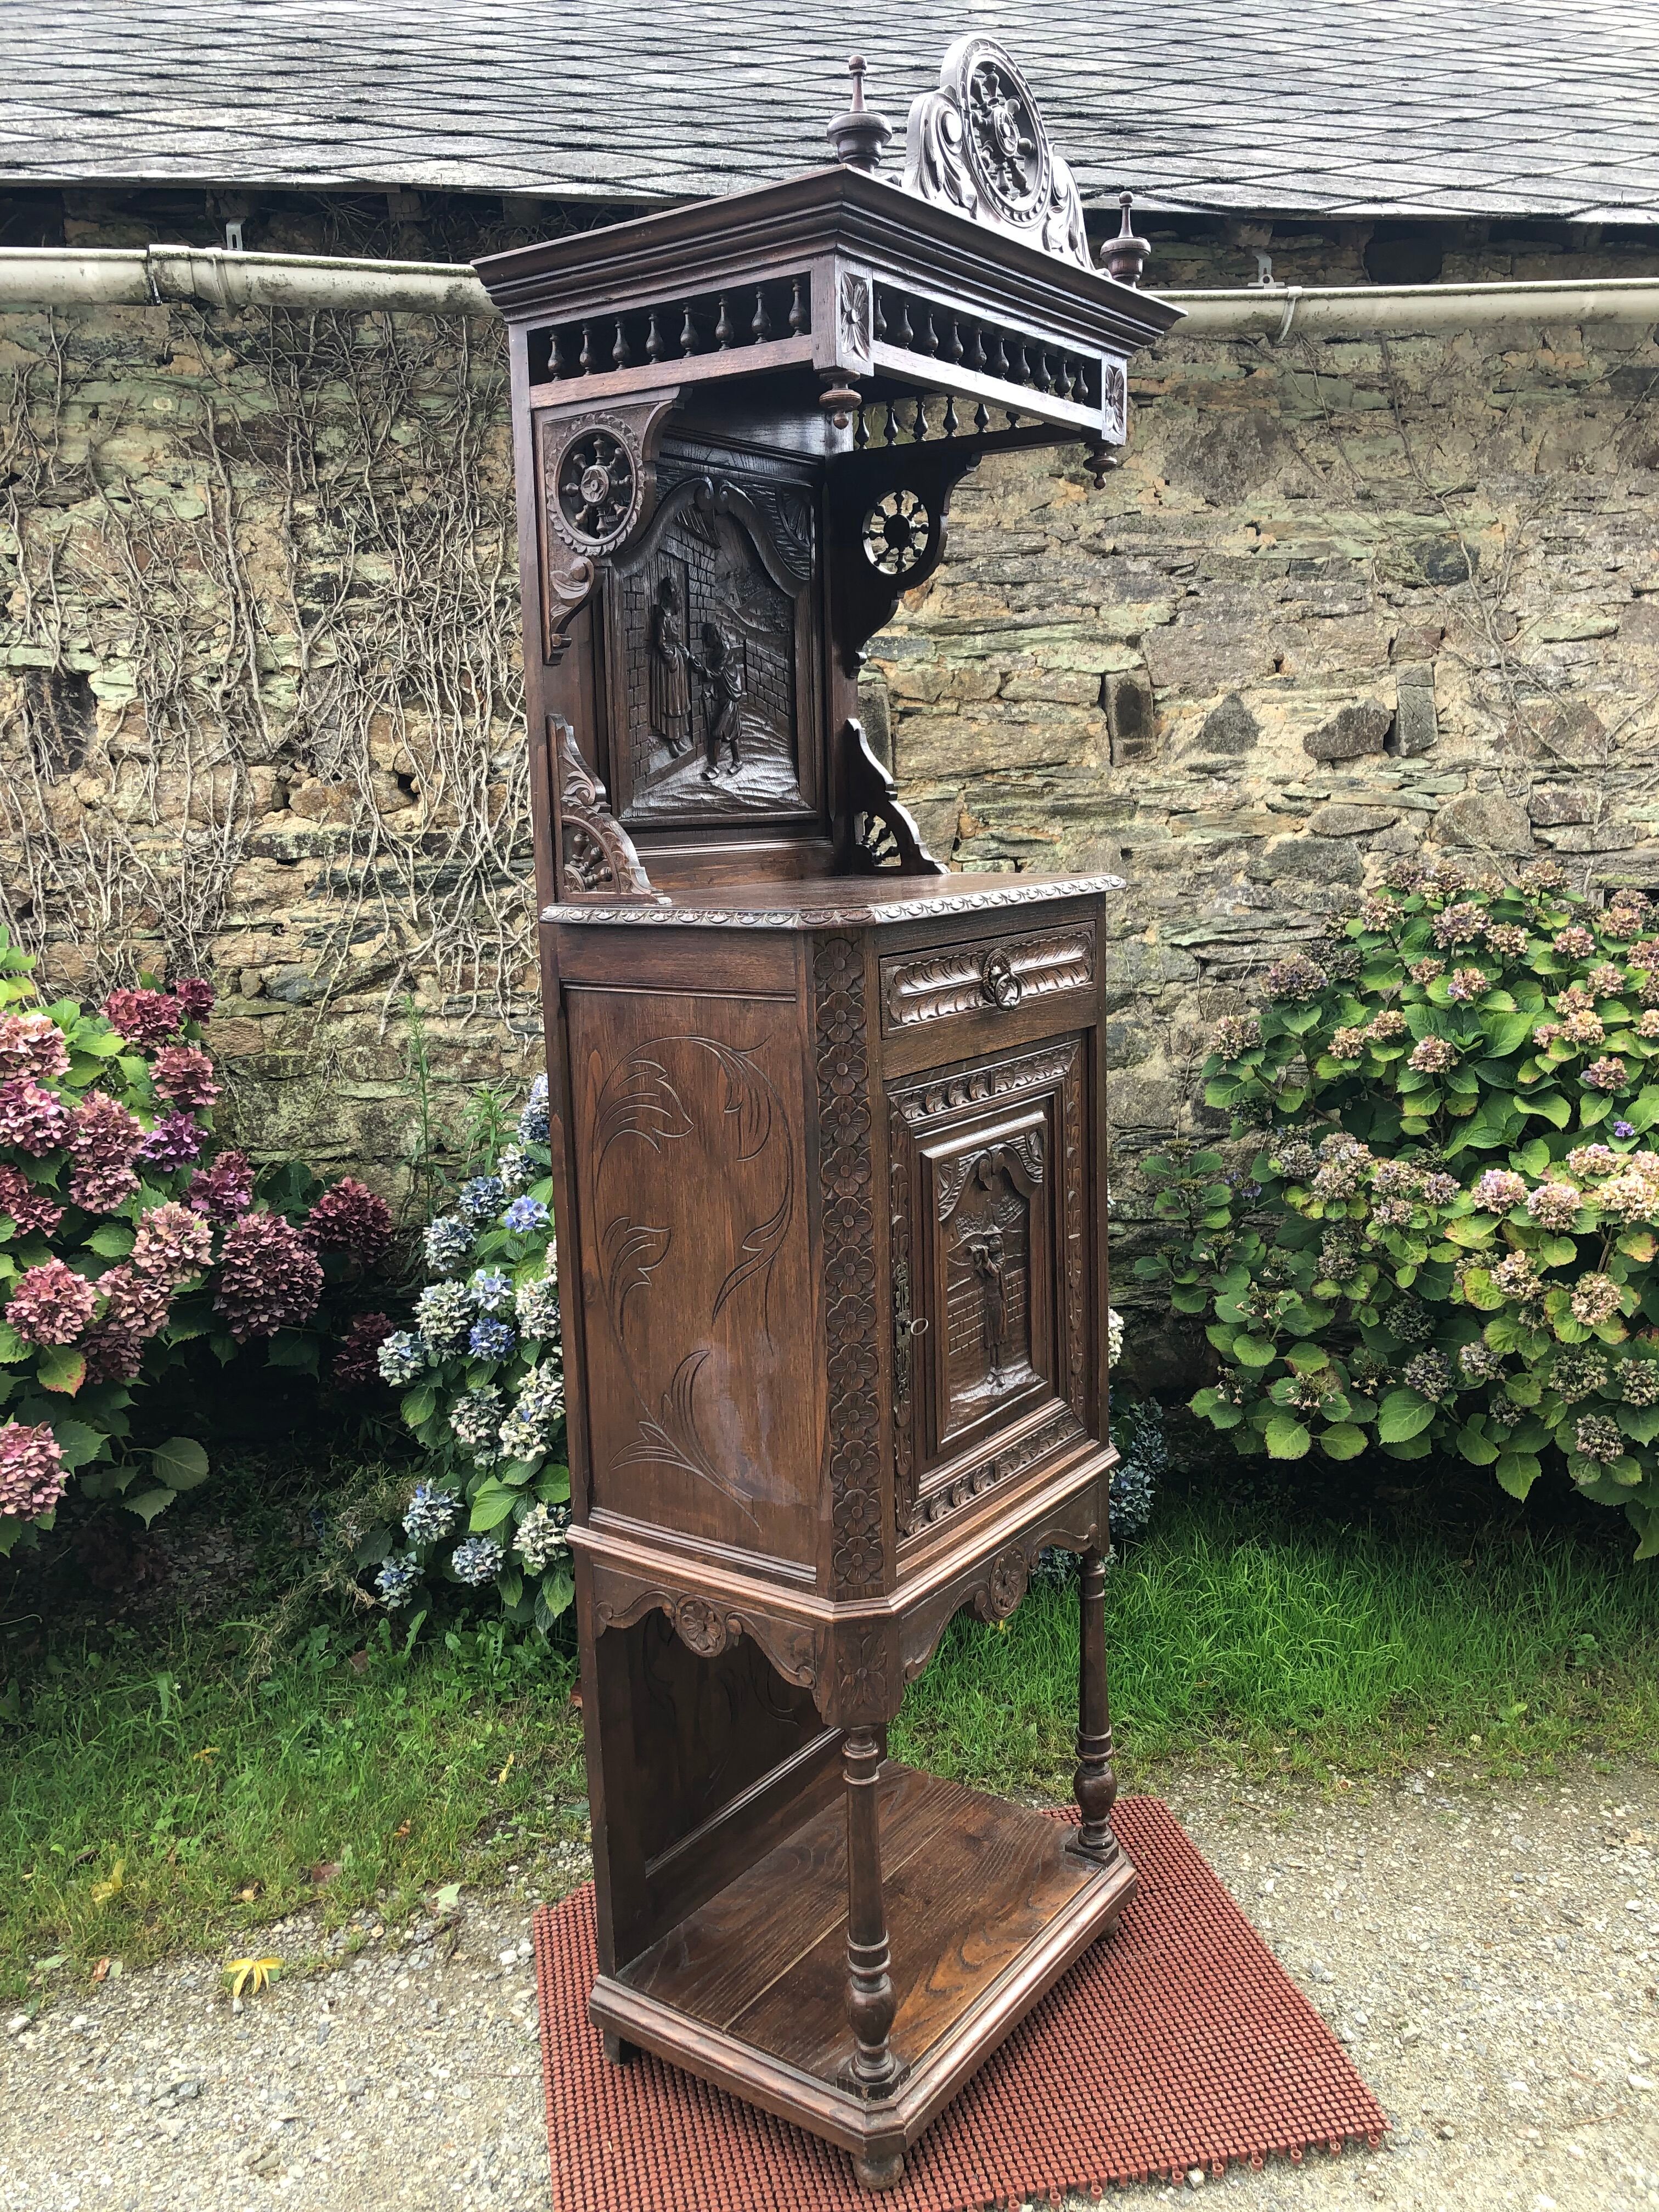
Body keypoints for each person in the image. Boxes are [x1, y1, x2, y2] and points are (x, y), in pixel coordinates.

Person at [647, 574, 691, 757]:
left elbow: (678, 639)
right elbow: (661, 643)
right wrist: (673, 657)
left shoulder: (673, 617)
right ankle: (670, 738)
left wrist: (685, 652)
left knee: (679, 699)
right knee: (670, 699)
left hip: (677, 662)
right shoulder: (662, 618)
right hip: (667, 664)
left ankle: (678, 737)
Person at [695, 619, 744, 778]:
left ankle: (714, 767)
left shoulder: (725, 649)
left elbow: (717, 673)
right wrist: (710, 691)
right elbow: (717, 677)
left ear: (714, 636)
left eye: (707, 639)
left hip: (730, 694)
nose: (706, 643)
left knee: (717, 731)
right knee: (733, 730)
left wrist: (701, 669)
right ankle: (737, 761)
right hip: (724, 694)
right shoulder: (715, 650)